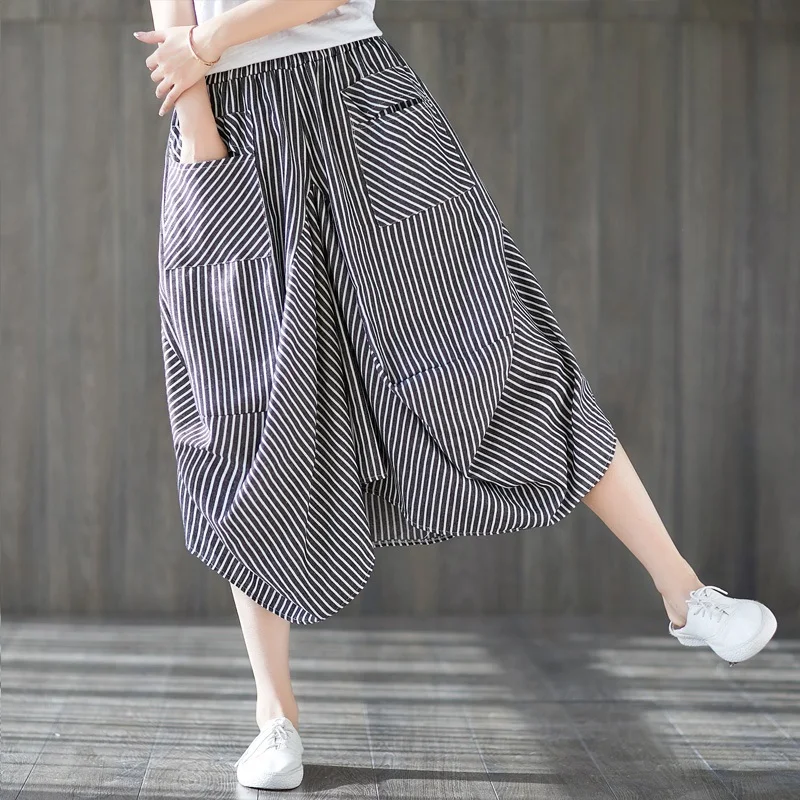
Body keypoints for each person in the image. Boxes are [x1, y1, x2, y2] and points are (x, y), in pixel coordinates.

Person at [136, 0, 778, 791]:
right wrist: (198, 119)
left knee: (500, 351)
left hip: (360, 102)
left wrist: (209, 41)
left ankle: (684, 592)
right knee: (243, 401)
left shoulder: (237, 46)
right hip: (228, 128)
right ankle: (275, 715)